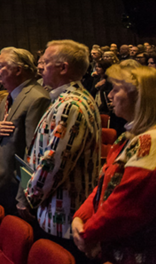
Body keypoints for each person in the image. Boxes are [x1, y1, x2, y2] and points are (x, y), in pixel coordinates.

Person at [72, 64, 156, 264]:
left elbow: (127, 204)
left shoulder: (155, 141)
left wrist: (88, 234)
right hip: (116, 253)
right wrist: (81, 217)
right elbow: (105, 184)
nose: (110, 95)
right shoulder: (130, 137)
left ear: (139, 96)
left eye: (116, 89)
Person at [22, 40, 102, 247]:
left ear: (63, 68)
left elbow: (55, 162)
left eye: (45, 62)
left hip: (61, 215)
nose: (40, 67)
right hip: (58, 210)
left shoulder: (70, 106)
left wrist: (30, 198)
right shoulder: (72, 98)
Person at [0, 47, 51, 214]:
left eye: (1, 66)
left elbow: (34, 151)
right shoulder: (8, 97)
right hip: (2, 182)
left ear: (18, 69)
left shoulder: (37, 98)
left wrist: (24, 196)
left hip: (16, 188)